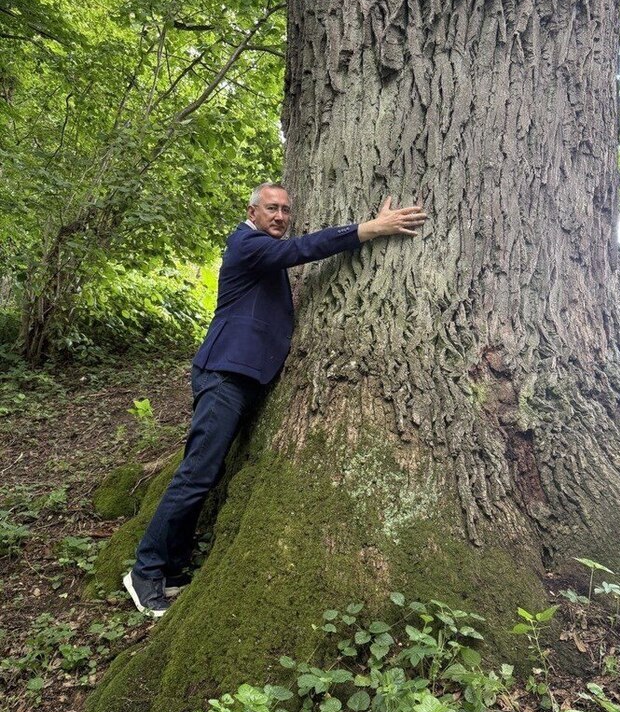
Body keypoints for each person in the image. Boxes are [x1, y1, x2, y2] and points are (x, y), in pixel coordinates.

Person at [123, 183, 427, 616]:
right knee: (194, 477)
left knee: (204, 476)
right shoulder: (247, 243)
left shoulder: (260, 247)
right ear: (252, 210)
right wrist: (369, 229)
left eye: (286, 209)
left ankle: (171, 571)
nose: (280, 216)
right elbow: (302, 250)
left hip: (243, 377)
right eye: (271, 208)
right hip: (224, 374)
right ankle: (145, 572)